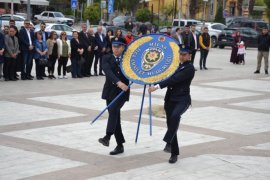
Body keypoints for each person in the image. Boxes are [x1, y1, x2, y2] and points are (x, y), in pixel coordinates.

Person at [148, 46, 195, 164]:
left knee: (175, 116)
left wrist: (157, 87)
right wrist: (152, 79)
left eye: (184, 55)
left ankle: (168, 141)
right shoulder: (176, 66)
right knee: (171, 125)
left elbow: (174, 80)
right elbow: (165, 77)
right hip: (169, 100)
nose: (182, 56)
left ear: (190, 56)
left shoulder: (190, 68)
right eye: (180, 54)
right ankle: (174, 153)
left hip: (182, 100)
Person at [98, 37, 130, 155]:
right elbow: (108, 72)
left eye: (118, 47)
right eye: (113, 47)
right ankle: (120, 145)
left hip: (122, 92)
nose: (115, 49)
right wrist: (119, 83)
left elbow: (137, 72)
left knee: (113, 110)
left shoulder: (128, 60)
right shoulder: (106, 58)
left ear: (123, 47)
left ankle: (107, 136)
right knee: (115, 116)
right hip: (110, 91)